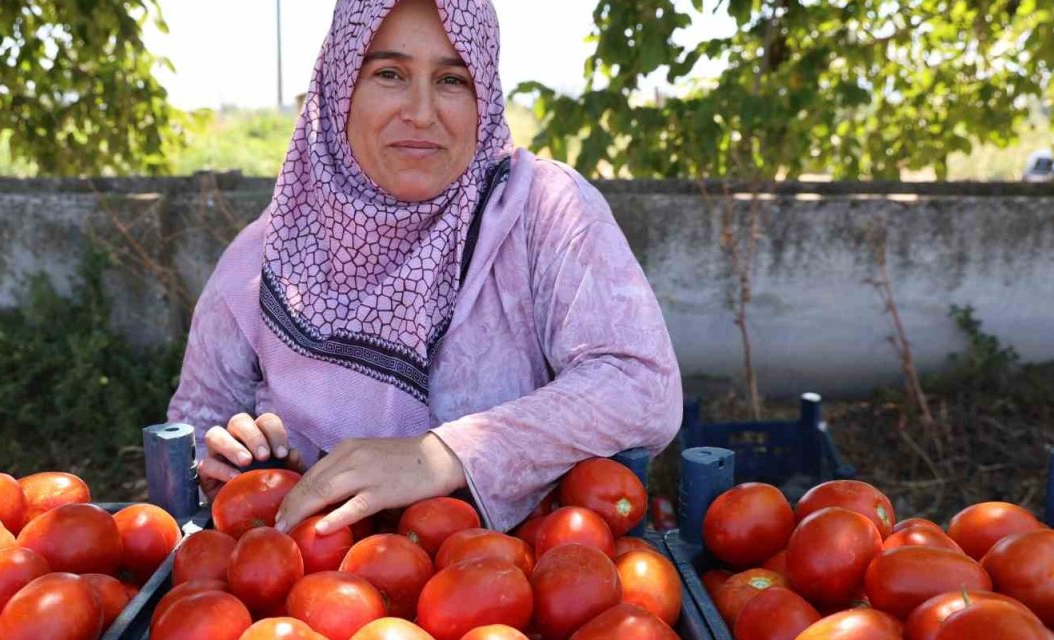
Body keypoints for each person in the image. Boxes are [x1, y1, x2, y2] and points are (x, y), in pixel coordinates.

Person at [167, 0, 684, 536]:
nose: (420, 111)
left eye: (452, 80)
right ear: (340, 87)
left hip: (514, 591)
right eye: (389, 74)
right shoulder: (266, 258)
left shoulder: (542, 212)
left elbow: (640, 384)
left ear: (484, 94)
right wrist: (230, 459)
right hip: (313, 598)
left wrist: (444, 455)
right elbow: (192, 431)